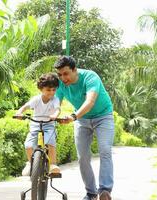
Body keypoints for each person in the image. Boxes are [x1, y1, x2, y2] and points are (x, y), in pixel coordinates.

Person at [54, 56, 114, 200]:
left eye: (66, 73)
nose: (63, 78)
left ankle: (105, 191)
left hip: (103, 116)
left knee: (105, 150)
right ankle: (91, 193)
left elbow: (90, 101)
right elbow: (56, 102)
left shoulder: (90, 77)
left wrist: (74, 116)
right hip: (82, 120)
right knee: (83, 157)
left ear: (75, 70)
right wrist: (54, 114)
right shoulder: (61, 84)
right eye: (60, 74)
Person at [15, 73, 61, 176]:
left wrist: (54, 115)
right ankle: (31, 164)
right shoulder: (36, 99)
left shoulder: (55, 99)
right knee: (28, 145)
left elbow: (58, 109)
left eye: (54, 90)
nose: (51, 92)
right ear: (41, 89)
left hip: (49, 124)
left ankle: (53, 165)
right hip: (35, 125)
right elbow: (26, 106)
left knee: (50, 142)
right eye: (48, 90)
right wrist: (19, 112)